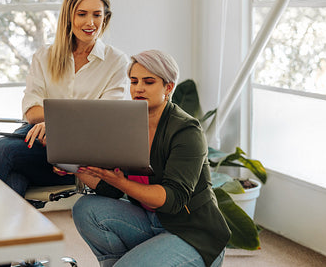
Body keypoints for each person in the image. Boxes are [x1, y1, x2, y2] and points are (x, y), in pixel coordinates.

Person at [70, 50, 231, 267]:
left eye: (148, 82)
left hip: (193, 233)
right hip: (152, 222)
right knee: (85, 209)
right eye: (134, 81)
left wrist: (121, 182)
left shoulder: (186, 130)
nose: (138, 88)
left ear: (168, 87)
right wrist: (72, 166)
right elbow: (112, 190)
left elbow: (173, 199)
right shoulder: (128, 125)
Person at [0, 0, 130, 198]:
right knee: (13, 180)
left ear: (105, 17)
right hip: (37, 143)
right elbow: (32, 112)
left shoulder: (116, 61)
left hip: (80, 152)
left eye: (97, 15)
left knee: (2, 151)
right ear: (69, 16)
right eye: (82, 14)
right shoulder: (45, 56)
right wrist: (62, 121)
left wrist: (54, 123)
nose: (90, 22)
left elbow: (104, 118)